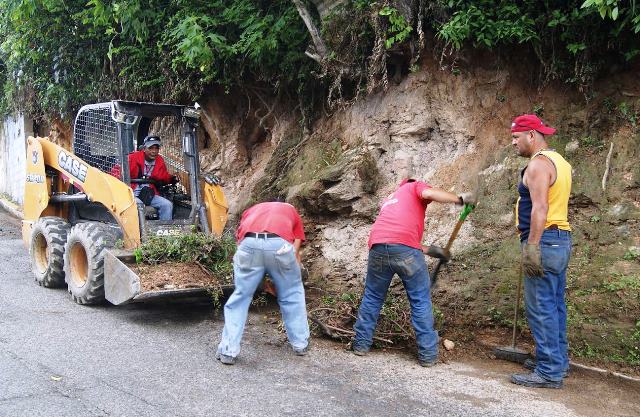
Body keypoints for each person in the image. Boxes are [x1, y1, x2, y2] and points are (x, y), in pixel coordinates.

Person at [351, 178, 477, 367]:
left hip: (378, 247)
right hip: (404, 250)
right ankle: (427, 355)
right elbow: (428, 194)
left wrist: (434, 251)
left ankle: (360, 345)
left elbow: (396, 238)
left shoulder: (390, 200)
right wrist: (460, 199)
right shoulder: (413, 186)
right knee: (420, 299)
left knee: (373, 296)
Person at [509, 114, 572, 389]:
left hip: (544, 240)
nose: (513, 143)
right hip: (560, 239)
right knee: (555, 304)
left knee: (541, 307)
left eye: (515, 137)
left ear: (531, 135)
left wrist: (532, 245)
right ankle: (558, 362)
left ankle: (548, 371)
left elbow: (540, 208)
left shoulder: (537, 164)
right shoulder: (561, 161)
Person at [216, 201, 309, 365]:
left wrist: (261, 283)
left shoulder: (250, 210)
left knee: (241, 296)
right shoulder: (291, 210)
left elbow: (241, 242)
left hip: (249, 243)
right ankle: (300, 344)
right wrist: (293, 276)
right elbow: (295, 247)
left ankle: (228, 351)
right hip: (280, 245)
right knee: (292, 293)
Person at [129, 135, 177, 221]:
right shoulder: (132, 158)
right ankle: (141, 232)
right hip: (130, 192)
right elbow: (117, 172)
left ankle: (164, 230)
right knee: (139, 206)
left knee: (167, 205)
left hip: (148, 193)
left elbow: (163, 176)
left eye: (156, 148)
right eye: (150, 148)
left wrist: (172, 178)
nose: (154, 151)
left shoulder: (159, 160)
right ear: (144, 148)